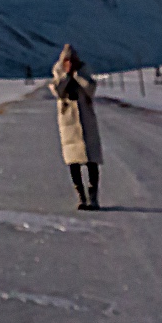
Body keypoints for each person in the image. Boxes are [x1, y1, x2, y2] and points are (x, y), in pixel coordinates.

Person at [51, 43, 102, 210]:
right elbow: (58, 91)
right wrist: (66, 75)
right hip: (69, 124)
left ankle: (93, 196)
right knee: (73, 162)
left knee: (92, 160)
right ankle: (81, 196)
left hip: (87, 121)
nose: (70, 62)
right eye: (67, 60)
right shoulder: (58, 75)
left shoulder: (84, 74)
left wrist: (78, 75)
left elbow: (91, 89)